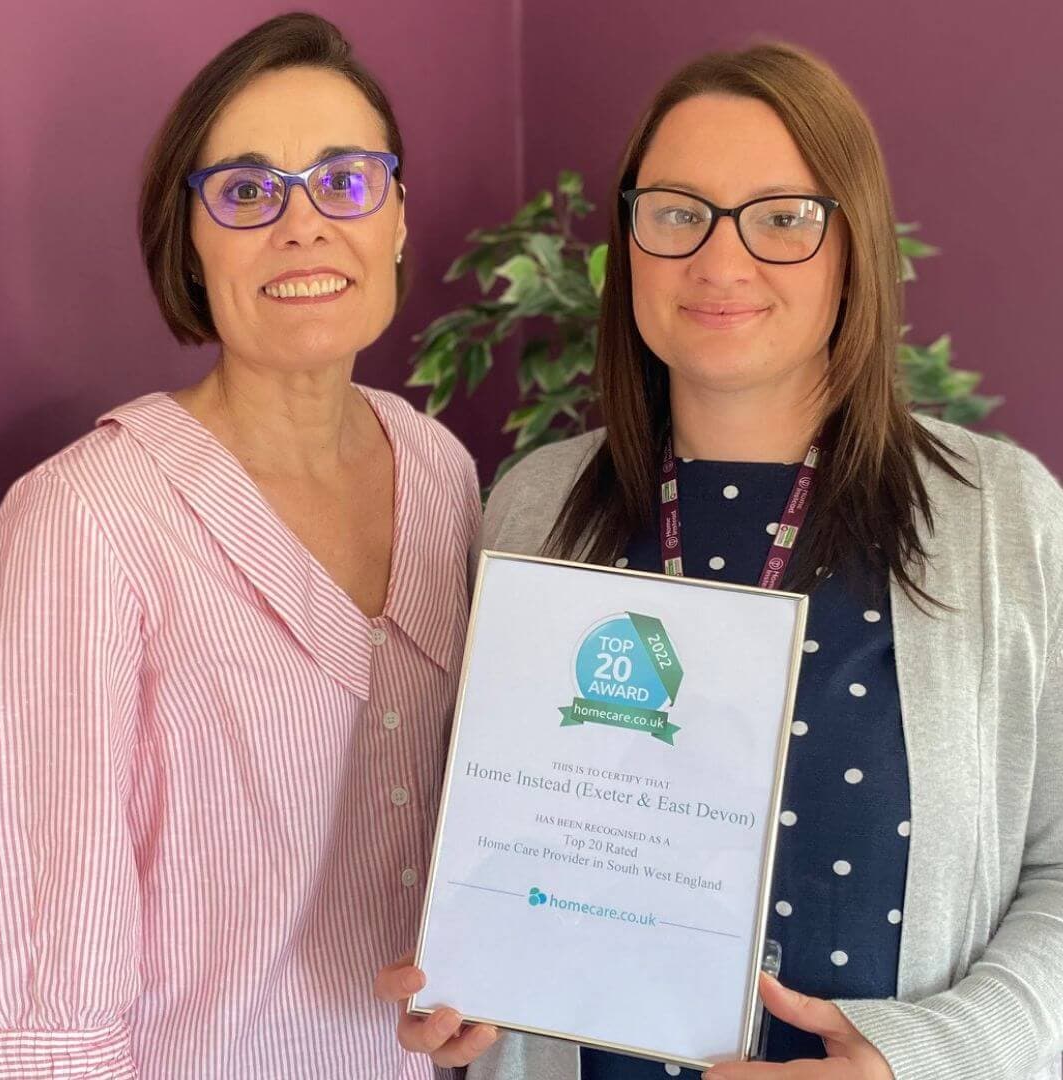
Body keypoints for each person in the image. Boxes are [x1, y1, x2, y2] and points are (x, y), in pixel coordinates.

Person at [375, 42, 1063, 1080]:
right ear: (630, 241)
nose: (720, 261)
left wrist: (919, 1060)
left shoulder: (1003, 517)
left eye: (782, 217)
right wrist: (471, 1000)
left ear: (853, 246)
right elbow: (498, 851)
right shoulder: (531, 506)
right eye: (677, 211)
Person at [0, 13, 478, 1079]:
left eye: (347, 181)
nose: (304, 226)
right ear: (191, 243)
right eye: (248, 193)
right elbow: (42, 1001)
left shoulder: (442, 472)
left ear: (397, 218)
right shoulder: (86, 522)